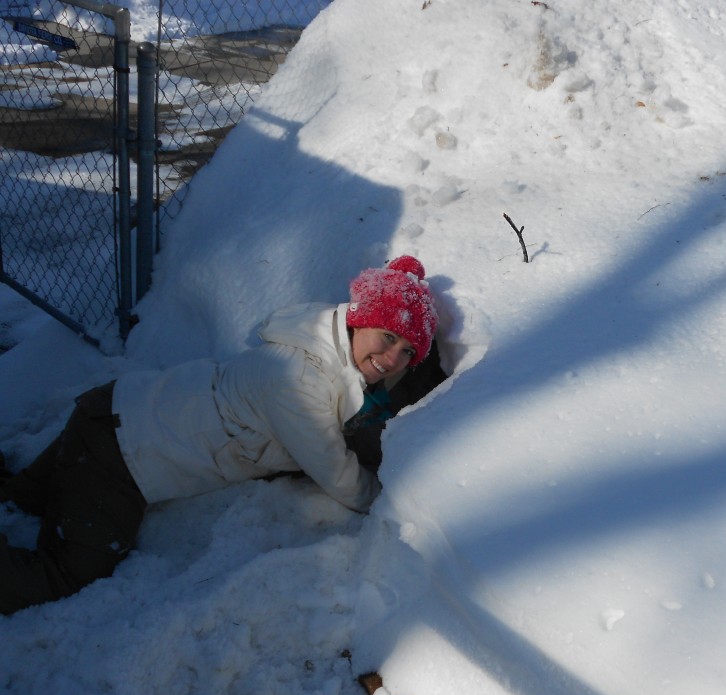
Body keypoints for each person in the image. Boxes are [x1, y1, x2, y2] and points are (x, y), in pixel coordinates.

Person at [0, 255, 445, 615]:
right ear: (358, 321)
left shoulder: (318, 347)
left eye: (408, 351)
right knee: (69, 574)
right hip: (120, 454)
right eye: (387, 337)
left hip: (116, 410)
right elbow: (339, 476)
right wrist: (392, 503)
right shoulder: (297, 381)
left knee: (22, 499)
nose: (393, 356)